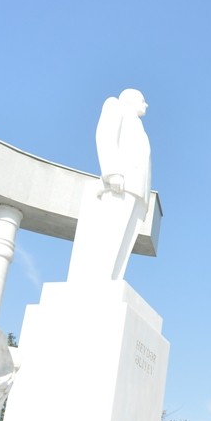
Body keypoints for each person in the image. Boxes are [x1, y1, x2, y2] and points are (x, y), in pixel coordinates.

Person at [67, 88, 152, 282]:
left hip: (137, 191)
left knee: (124, 241)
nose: (145, 104)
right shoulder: (115, 106)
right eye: (142, 99)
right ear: (130, 99)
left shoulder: (138, 125)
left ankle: (111, 280)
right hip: (120, 184)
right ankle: (98, 278)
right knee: (110, 236)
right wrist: (112, 172)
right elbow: (105, 136)